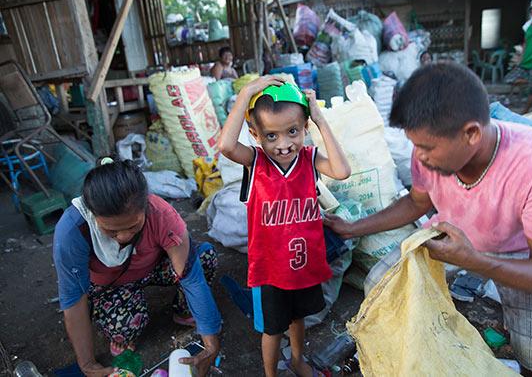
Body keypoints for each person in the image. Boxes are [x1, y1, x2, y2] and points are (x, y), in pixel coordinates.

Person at [325, 62, 532, 377]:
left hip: (521, 255)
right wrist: (351, 229)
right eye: (414, 145)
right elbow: (417, 202)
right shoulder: (429, 156)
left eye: (426, 147)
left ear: (471, 133)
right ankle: (426, 354)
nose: (418, 157)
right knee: (379, 287)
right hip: (447, 239)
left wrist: (475, 260)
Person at [218, 76, 350, 377]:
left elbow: (342, 170)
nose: (284, 143)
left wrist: (319, 118)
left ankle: (297, 359)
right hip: (270, 272)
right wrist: (246, 94)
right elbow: (226, 145)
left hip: (303, 265)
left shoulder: (309, 159)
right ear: (255, 135)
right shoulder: (256, 163)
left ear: (304, 128)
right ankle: (270, 374)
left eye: (293, 131)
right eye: (272, 136)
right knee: (272, 329)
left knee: (298, 318)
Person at [53, 158, 221, 377]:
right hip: (110, 284)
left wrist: (210, 343)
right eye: (110, 231)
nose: (123, 236)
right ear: (93, 215)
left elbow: (190, 276)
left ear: (146, 206)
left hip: (152, 267)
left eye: (133, 226)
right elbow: (73, 299)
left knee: (204, 257)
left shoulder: (161, 215)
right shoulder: (72, 231)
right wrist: (87, 364)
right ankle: (122, 323)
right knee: (125, 327)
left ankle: (183, 312)